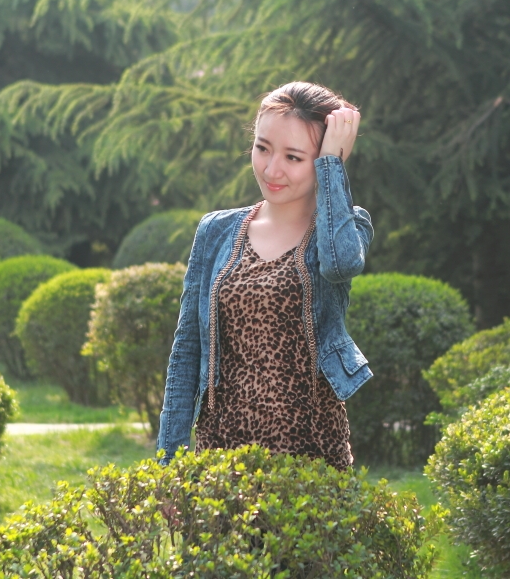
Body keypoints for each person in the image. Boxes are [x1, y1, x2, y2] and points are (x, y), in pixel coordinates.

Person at [158, 81, 374, 470]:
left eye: (293, 157)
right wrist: (169, 463)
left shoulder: (343, 229)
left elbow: (340, 264)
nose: (272, 169)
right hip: (221, 460)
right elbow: (187, 350)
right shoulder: (216, 231)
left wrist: (332, 164)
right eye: (262, 148)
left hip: (311, 462)